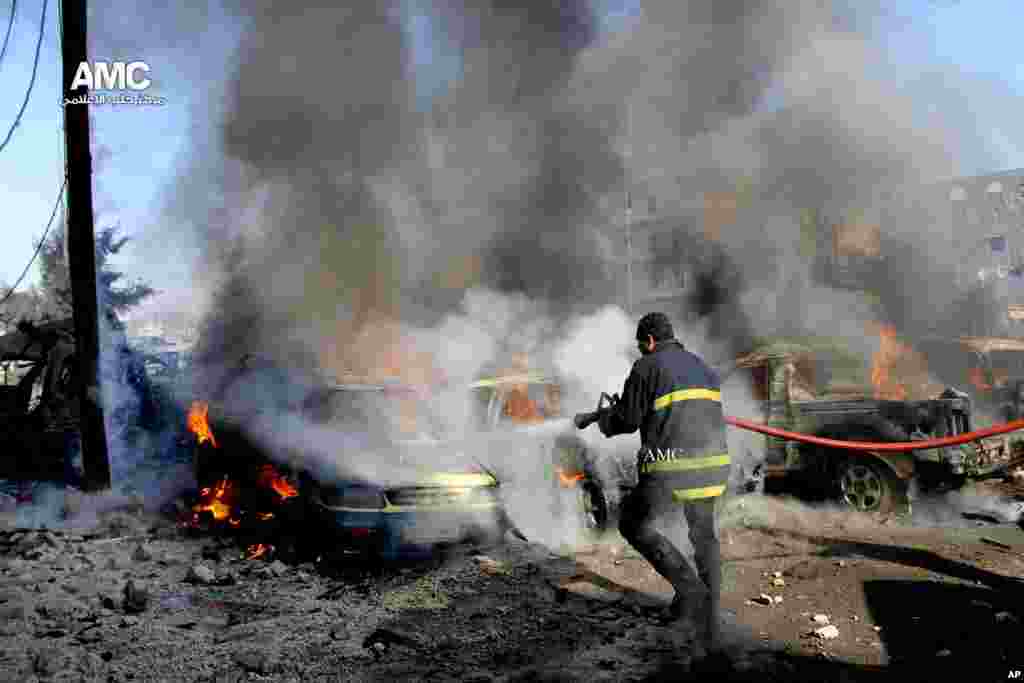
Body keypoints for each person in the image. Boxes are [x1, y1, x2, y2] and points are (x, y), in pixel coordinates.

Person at [598, 312, 730, 657]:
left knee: (632, 523)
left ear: (650, 341)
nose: (641, 350)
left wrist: (605, 422)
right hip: (714, 466)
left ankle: (692, 594)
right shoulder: (702, 366)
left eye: (641, 345)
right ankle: (708, 616)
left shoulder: (647, 366)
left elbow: (626, 421)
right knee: (703, 533)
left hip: (674, 466)